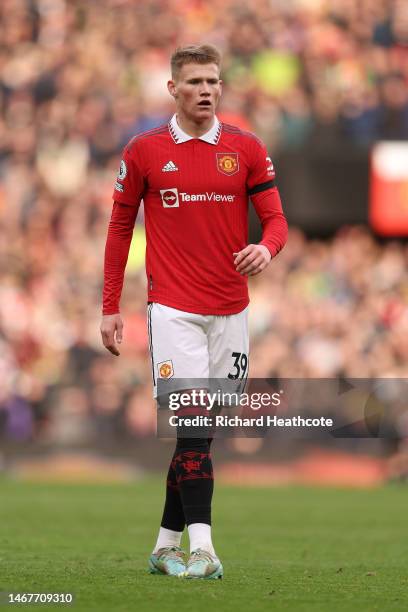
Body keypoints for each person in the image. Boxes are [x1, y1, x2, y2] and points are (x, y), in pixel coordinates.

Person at [100, 44, 288, 579]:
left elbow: (277, 222)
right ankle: (202, 550)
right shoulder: (144, 150)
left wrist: (266, 248)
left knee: (200, 437)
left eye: (214, 81)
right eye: (196, 82)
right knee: (190, 426)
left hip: (232, 311)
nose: (207, 90)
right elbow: (119, 229)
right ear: (173, 89)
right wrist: (110, 306)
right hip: (173, 309)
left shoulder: (247, 148)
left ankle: (163, 546)